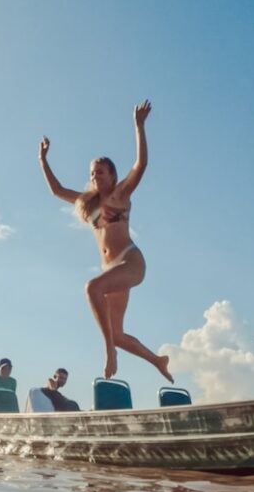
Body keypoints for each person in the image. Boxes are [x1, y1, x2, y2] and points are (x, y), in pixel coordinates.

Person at [38, 99, 173, 383]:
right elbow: (56, 189)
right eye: (91, 173)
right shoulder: (86, 202)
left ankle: (109, 351)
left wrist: (139, 126)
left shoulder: (121, 195)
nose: (94, 176)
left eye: (100, 171)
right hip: (112, 269)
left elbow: (142, 164)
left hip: (130, 262)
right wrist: (43, 160)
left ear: (112, 175)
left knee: (92, 288)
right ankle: (157, 360)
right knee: (118, 332)